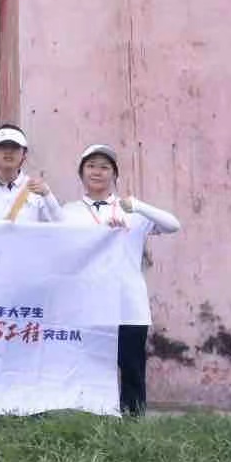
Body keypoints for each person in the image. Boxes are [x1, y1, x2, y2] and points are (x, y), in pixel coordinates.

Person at [61, 143, 181, 416]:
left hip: (128, 304)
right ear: (81, 173)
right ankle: (87, 415)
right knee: (86, 364)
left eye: (105, 167)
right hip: (86, 304)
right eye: (91, 166)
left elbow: (173, 225)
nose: (97, 172)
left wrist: (137, 205)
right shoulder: (69, 211)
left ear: (115, 174)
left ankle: (133, 421)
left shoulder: (132, 212)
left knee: (131, 367)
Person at [0, 124, 63, 222]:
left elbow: (59, 225)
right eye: (2, 147)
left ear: (24, 153)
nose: (8, 152)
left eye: (15, 147)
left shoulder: (36, 189)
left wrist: (47, 195)